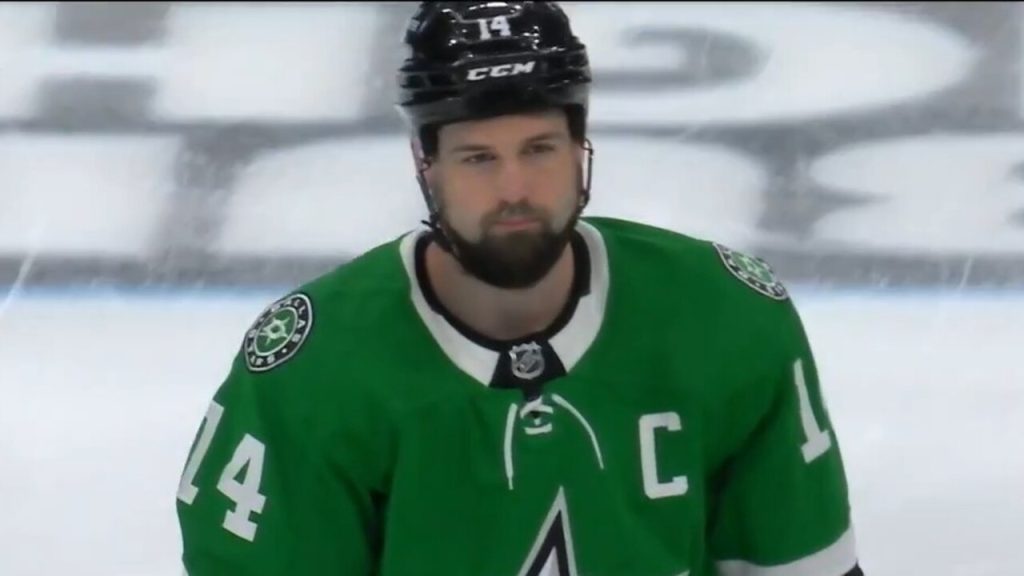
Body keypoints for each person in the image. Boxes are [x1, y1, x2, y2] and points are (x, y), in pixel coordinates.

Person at [175, 2, 864, 575]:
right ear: (427, 165)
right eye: (479, 158)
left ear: (579, 148)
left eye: (538, 149)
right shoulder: (314, 375)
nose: (514, 191)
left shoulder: (726, 319)